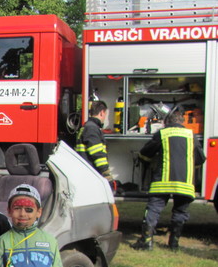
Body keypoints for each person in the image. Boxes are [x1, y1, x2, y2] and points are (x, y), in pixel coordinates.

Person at [132, 107, 206, 251]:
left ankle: (146, 242)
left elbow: (145, 154)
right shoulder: (191, 135)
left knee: (154, 209)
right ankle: (174, 244)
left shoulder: (162, 133)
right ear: (183, 122)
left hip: (162, 182)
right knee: (180, 212)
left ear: (167, 122)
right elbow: (200, 159)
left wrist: (149, 161)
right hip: (185, 184)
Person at [76, 100, 114, 183]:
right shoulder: (92, 128)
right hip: (91, 172)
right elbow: (97, 152)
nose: (105, 117)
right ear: (102, 113)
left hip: (86, 171)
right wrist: (106, 173)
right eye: (105, 114)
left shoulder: (88, 126)